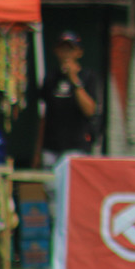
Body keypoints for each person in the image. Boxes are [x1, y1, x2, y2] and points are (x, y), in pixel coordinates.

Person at [33, 31, 99, 169]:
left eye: (70, 50)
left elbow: (90, 110)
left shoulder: (88, 77)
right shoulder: (50, 78)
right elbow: (44, 115)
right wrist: (37, 150)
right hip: (51, 146)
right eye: (63, 49)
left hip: (76, 146)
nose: (66, 54)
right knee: (50, 187)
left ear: (78, 53)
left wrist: (74, 79)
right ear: (57, 51)